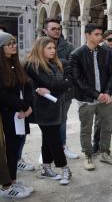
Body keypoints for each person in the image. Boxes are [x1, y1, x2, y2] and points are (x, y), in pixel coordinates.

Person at [70, 23, 112, 171]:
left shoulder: (106, 52)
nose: (100, 37)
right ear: (87, 35)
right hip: (86, 99)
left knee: (106, 126)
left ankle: (105, 152)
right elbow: (78, 81)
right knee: (86, 128)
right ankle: (88, 155)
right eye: (97, 34)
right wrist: (97, 95)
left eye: (100, 35)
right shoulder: (77, 54)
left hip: (105, 97)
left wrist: (107, 93)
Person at [25, 36, 72, 185]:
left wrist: (63, 83)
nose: (53, 51)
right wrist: (65, 83)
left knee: (48, 139)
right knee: (54, 140)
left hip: (56, 107)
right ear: (40, 49)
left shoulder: (54, 63)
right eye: (49, 48)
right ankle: (65, 169)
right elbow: (49, 83)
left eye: (54, 48)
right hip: (42, 109)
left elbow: (61, 82)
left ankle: (46, 168)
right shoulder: (33, 65)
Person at [0, 31, 33, 198]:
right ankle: (9, 183)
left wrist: (28, 107)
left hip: (21, 113)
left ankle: (13, 180)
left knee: (18, 146)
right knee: (11, 149)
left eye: (14, 43)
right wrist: (24, 105)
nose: (13, 46)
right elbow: (3, 95)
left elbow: (26, 85)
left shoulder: (15, 63)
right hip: (9, 114)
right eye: (9, 44)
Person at [42, 18, 78, 160]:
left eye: (58, 28)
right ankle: (47, 149)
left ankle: (63, 146)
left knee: (62, 119)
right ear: (45, 30)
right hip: (46, 91)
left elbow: (73, 66)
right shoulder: (39, 45)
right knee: (48, 121)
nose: (57, 31)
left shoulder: (68, 47)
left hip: (64, 91)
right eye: (53, 28)